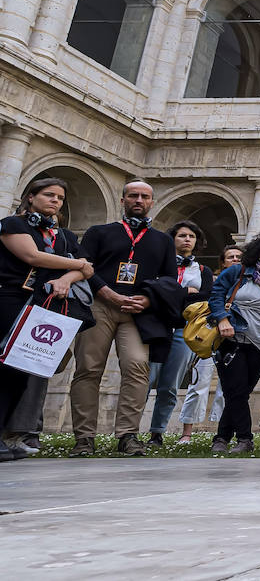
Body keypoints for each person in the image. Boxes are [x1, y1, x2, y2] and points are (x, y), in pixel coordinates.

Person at [69, 181, 178, 457]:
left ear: (152, 202)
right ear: (123, 200)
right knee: (88, 369)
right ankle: (84, 437)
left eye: (144, 197)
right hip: (99, 304)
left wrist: (149, 299)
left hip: (137, 312)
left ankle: (127, 435)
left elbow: (169, 279)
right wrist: (106, 292)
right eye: (133, 196)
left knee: (137, 367)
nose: (138, 200)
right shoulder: (99, 232)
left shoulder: (162, 240)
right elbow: (85, 267)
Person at [0, 177, 91, 462]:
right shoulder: (13, 224)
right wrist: (77, 265)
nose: (55, 201)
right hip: (10, 299)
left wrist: (66, 278)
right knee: (4, 368)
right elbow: (32, 256)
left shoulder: (63, 235)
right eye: (49, 195)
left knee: (22, 372)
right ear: (30, 197)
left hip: (43, 306)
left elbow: (87, 271)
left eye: (60, 198)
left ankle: (7, 435)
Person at [208, 232, 260, 454]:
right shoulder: (238, 272)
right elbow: (215, 295)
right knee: (235, 390)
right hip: (231, 339)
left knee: (240, 392)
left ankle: (221, 438)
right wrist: (222, 319)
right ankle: (245, 439)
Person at [144, 220, 208, 447]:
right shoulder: (157, 265)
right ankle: (129, 431)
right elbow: (150, 290)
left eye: (192, 236)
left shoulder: (202, 271)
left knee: (170, 385)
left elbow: (203, 300)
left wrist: (170, 294)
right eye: (182, 235)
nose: (187, 239)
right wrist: (184, 293)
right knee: (145, 379)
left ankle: (157, 432)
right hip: (155, 327)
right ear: (172, 239)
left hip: (184, 329)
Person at [176, 245, 237, 443]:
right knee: (199, 382)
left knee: (226, 387)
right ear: (223, 262)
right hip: (208, 336)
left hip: (234, 338)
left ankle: (222, 433)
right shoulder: (214, 283)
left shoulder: (247, 284)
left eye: (239, 257)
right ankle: (187, 432)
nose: (235, 259)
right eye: (230, 257)